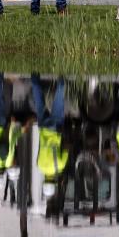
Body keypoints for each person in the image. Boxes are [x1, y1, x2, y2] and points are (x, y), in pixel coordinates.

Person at [32, 73, 68, 202]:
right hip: (43, 128)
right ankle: (34, 75)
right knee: (39, 99)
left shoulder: (60, 166)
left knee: (59, 98)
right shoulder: (39, 165)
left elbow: (66, 149)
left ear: (54, 182)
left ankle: (61, 72)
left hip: (55, 128)